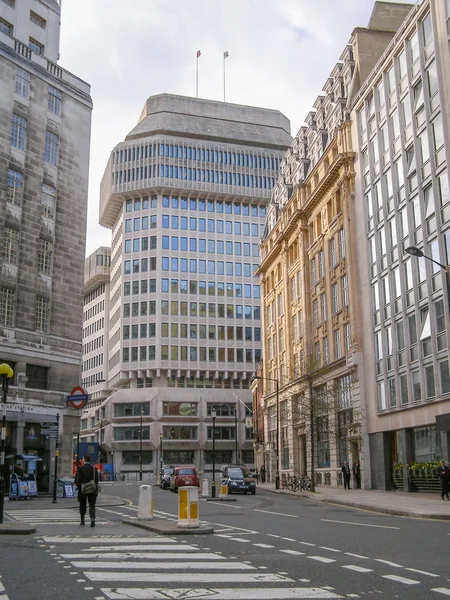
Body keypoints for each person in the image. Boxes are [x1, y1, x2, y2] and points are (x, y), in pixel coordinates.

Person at [75, 454, 99, 527]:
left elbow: (78, 480)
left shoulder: (80, 468)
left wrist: (78, 486)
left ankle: (82, 520)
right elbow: (96, 480)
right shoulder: (94, 468)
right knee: (92, 505)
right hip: (92, 489)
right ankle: (92, 518)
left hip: (83, 489)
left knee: (82, 504)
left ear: (84, 459)